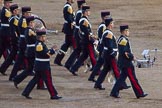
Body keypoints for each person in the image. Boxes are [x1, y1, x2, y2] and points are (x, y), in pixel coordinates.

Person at [22, 30, 62, 100]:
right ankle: (53, 94)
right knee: (48, 80)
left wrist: (52, 49)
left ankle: (26, 92)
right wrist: (53, 50)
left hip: (40, 65)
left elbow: (45, 52)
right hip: (43, 65)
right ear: (41, 37)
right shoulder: (40, 45)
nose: (45, 38)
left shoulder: (41, 44)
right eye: (44, 37)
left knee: (35, 79)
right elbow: (45, 54)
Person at [110, 25, 148, 98]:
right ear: (124, 31)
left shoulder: (121, 39)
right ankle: (139, 93)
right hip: (126, 63)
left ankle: (114, 92)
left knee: (121, 79)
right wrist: (132, 57)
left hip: (123, 62)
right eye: (127, 31)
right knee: (133, 79)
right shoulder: (123, 40)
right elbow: (125, 53)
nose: (128, 32)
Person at [94, 18, 128, 90]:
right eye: (112, 23)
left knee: (105, 70)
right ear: (109, 24)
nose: (113, 24)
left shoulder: (107, 32)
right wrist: (113, 53)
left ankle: (98, 83)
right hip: (109, 54)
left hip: (107, 53)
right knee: (115, 69)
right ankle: (121, 84)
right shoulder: (108, 33)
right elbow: (109, 45)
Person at [13, 16, 44, 89]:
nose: (33, 24)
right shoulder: (29, 30)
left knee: (30, 69)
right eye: (32, 22)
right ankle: (39, 84)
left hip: (31, 51)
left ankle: (17, 79)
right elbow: (37, 37)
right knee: (35, 68)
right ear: (30, 23)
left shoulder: (29, 30)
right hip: (32, 51)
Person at [69, 5, 97, 76]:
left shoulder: (84, 19)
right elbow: (87, 32)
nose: (89, 12)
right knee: (92, 55)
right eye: (88, 11)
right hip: (87, 41)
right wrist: (93, 40)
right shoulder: (84, 21)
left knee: (84, 56)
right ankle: (97, 70)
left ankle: (74, 68)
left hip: (85, 40)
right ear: (85, 12)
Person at [9, 6, 32, 80]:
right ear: (24, 13)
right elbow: (25, 31)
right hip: (24, 41)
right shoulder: (24, 21)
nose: (29, 14)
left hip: (22, 41)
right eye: (28, 13)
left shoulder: (22, 19)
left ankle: (13, 75)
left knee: (20, 60)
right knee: (24, 59)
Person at [88, 10, 111, 82]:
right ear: (103, 18)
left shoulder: (103, 25)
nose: (108, 18)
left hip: (102, 46)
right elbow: (102, 37)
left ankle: (92, 77)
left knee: (100, 63)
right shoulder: (103, 26)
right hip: (102, 47)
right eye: (107, 17)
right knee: (101, 63)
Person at [64, 0, 86, 70]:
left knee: (78, 49)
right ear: (82, 5)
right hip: (78, 33)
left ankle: (70, 64)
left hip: (77, 32)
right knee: (82, 50)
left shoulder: (79, 12)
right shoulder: (80, 13)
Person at [54, 0, 76, 66]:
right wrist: (72, 22)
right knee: (75, 45)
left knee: (66, 45)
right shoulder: (68, 7)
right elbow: (68, 17)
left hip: (68, 28)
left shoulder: (68, 6)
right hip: (70, 28)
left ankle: (58, 59)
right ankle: (77, 61)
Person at [0, 3, 20, 77]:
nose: (18, 11)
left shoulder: (12, 16)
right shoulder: (11, 17)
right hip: (9, 35)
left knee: (3, 50)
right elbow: (16, 29)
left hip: (5, 34)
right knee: (13, 53)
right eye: (17, 10)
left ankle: (3, 68)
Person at [0, 0, 12, 75]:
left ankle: (3, 68)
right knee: (13, 51)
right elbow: (9, 16)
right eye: (8, 3)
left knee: (1, 50)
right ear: (6, 3)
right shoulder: (5, 11)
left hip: (4, 33)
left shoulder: (5, 10)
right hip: (6, 34)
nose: (9, 4)